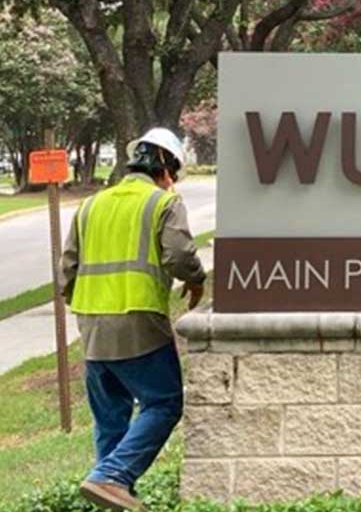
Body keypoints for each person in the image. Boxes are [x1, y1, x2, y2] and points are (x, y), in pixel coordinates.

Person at [61, 128, 206, 512]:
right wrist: (196, 279)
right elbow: (178, 255)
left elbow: (67, 272)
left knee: (111, 422)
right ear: (167, 168)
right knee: (164, 403)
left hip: (92, 328)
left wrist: (89, 311)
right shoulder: (162, 203)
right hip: (138, 321)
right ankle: (111, 478)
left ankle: (110, 491)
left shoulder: (90, 205)